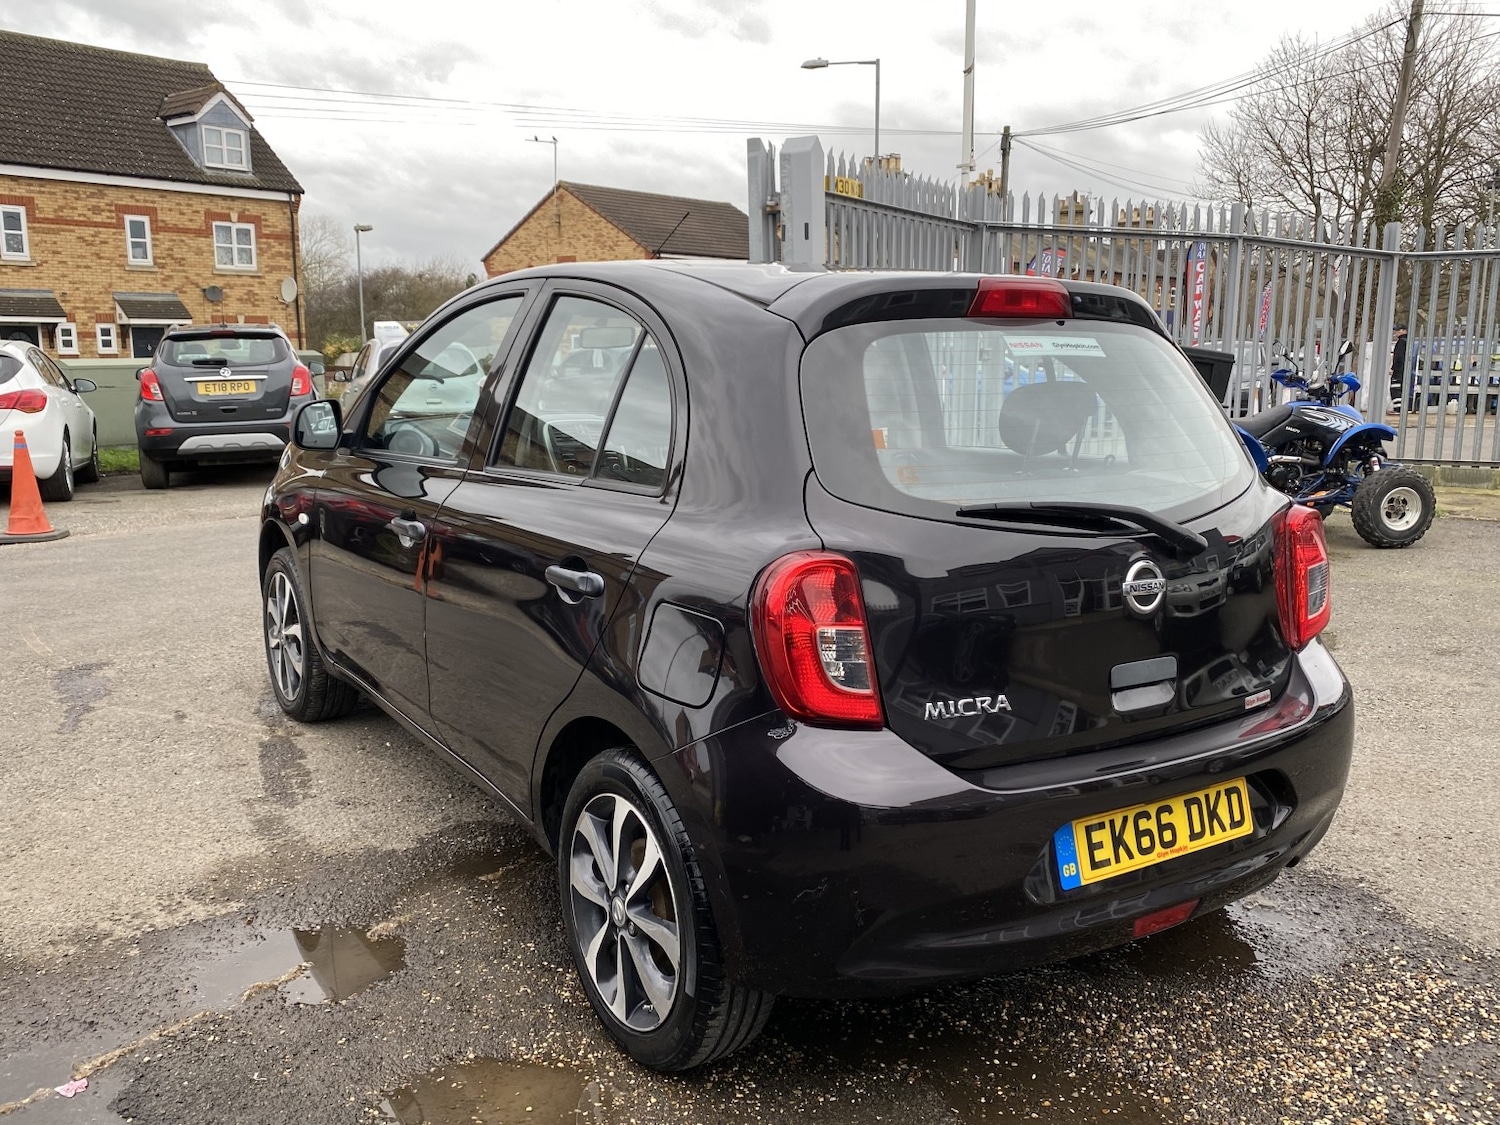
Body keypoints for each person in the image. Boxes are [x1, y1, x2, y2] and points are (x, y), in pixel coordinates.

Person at [1389, 325, 1409, 413]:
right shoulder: (1409, 342)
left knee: (1395, 388)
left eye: (1398, 330)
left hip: (1399, 371)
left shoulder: (1401, 342)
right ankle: (1401, 408)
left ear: (1404, 331)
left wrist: (1393, 368)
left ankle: (1398, 409)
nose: (1396, 332)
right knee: (1401, 389)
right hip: (1405, 371)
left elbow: (1399, 358)